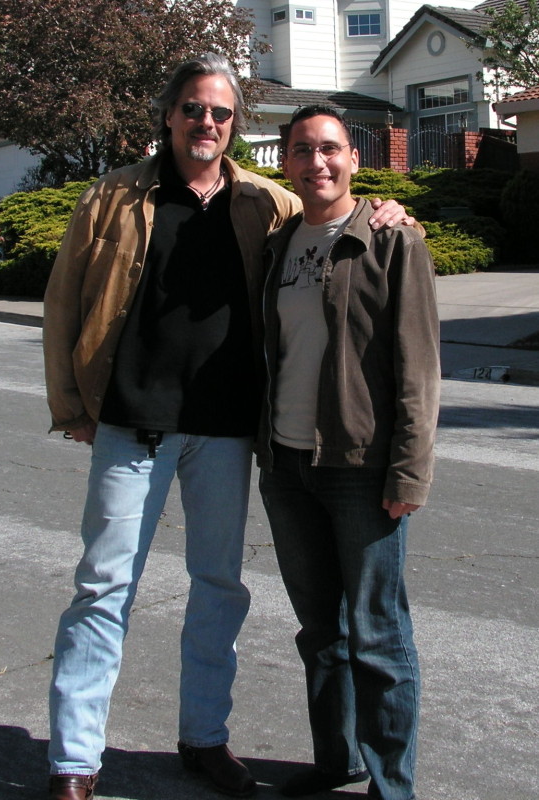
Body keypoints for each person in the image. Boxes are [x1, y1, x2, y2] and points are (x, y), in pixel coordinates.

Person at [43, 53, 414, 800]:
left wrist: (394, 211)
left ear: (235, 123)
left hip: (224, 431)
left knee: (218, 587)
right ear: (169, 115)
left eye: (220, 111)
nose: (205, 122)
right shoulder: (112, 197)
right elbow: (64, 303)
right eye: (193, 108)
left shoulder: (262, 202)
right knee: (103, 588)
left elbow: (333, 211)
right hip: (131, 425)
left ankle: (205, 738)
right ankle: (74, 761)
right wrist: (72, 407)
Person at [256, 104, 440, 800]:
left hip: (360, 468)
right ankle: (337, 762)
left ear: (355, 160)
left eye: (330, 148)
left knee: (377, 635)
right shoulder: (277, 245)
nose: (318, 163)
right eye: (302, 150)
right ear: (286, 163)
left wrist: (409, 471)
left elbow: (418, 367)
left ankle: (392, 787)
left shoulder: (392, 241)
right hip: (286, 464)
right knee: (319, 632)